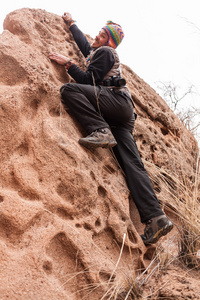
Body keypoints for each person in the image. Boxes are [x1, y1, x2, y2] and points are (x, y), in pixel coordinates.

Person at [49, 12, 173, 244]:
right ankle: (156, 218)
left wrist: (68, 64)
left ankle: (99, 130)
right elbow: (85, 45)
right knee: (132, 165)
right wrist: (72, 24)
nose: (97, 35)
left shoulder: (105, 52)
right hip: (120, 116)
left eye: (102, 34)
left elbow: (88, 82)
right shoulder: (99, 52)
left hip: (115, 103)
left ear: (109, 41)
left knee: (70, 90)